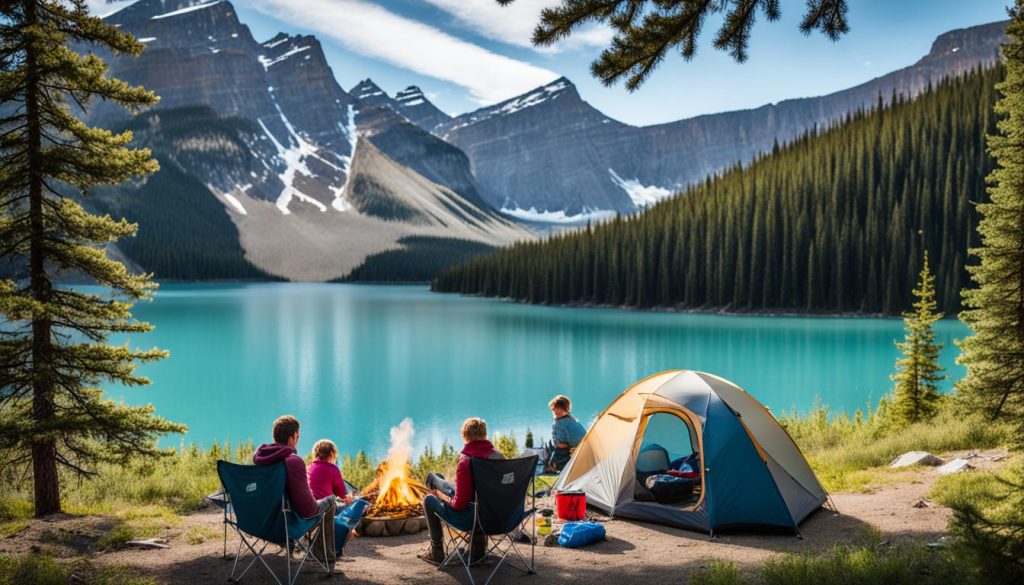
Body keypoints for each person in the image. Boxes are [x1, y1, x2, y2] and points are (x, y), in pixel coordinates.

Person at [252, 416, 337, 570]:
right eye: (297, 436)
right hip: (285, 526)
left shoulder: (261, 459)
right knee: (330, 501)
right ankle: (324, 557)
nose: (298, 440)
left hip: (260, 522)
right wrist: (320, 500)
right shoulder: (293, 461)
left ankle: (293, 546)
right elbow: (308, 510)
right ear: (291, 437)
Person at [420, 417, 503, 565]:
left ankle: (436, 552)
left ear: (465, 436)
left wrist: (441, 497)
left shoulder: (466, 463)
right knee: (451, 486)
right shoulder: (498, 457)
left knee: (428, 500)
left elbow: (459, 505)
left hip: (473, 518)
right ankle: (478, 551)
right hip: (500, 516)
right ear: (484, 434)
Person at [307, 439, 368, 556]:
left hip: (309, 510)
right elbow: (342, 495)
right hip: (325, 512)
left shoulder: (308, 468)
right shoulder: (333, 469)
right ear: (332, 454)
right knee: (360, 506)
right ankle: (337, 549)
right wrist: (350, 499)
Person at [544, 395, 586, 473]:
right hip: (580, 451)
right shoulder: (574, 420)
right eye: (553, 410)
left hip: (564, 455)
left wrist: (566, 445)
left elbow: (557, 444)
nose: (554, 412)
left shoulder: (559, 423)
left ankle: (551, 466)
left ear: (563, 409)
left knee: (550, 445)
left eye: (555, 410)